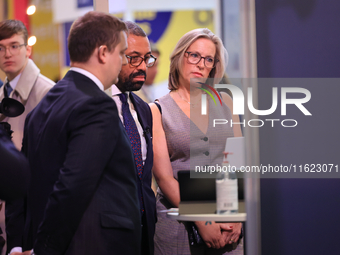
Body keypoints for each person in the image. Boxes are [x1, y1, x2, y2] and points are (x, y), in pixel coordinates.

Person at [6, 11, 141, 255]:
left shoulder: (43, 106)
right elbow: (73, 185)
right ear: (102, 53)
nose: (123, 61)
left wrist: (25, 244)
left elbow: (24, 186)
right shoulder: (96, 104)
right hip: (93, 244)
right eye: (121, 53)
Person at [150, 28, 244, 254]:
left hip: (226, 222)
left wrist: (235, 216)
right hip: (178, 224)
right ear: (180, 57)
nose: (201, 64)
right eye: (194, 55)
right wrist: (203, 220)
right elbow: (163, 178)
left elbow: (236, 165)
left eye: (209, 59)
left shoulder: (227, 103)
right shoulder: (157, 110)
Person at [112, 21, 156, 255]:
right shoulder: (93, 106)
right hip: (108, 235)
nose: (142, 67)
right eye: (133, 58)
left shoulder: (143, 108)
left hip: (145, 231)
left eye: (147, 58)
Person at [0, 20, 54, 150]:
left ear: (28, 50)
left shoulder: (48, 92)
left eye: (14, 46)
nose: (7, 54)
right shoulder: (2, 92)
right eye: (1, 48)